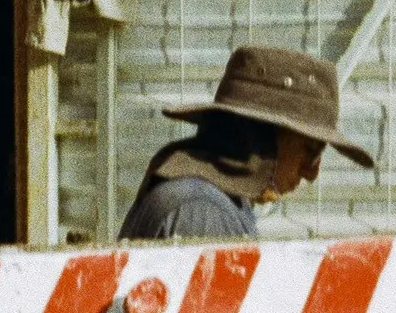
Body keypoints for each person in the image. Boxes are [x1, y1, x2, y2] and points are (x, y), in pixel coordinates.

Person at [119, 44, 373, 241]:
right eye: (309, 149)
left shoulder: (219, 203)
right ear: (261, 138)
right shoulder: (201, 210)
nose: (311, 173)